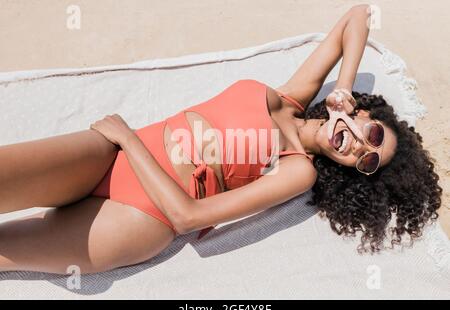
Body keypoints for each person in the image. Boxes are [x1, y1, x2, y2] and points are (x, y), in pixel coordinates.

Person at [0, 5, 441, 274]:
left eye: (367, 162)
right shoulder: (292, 96)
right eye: (374, 136)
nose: (362, 148)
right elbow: (357, 15)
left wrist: (131, 141)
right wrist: (342, 91)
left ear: (350, 171)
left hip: (142, 214)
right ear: (364, 115)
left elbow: (189, 217)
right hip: (105, 157)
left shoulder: (297, 169)